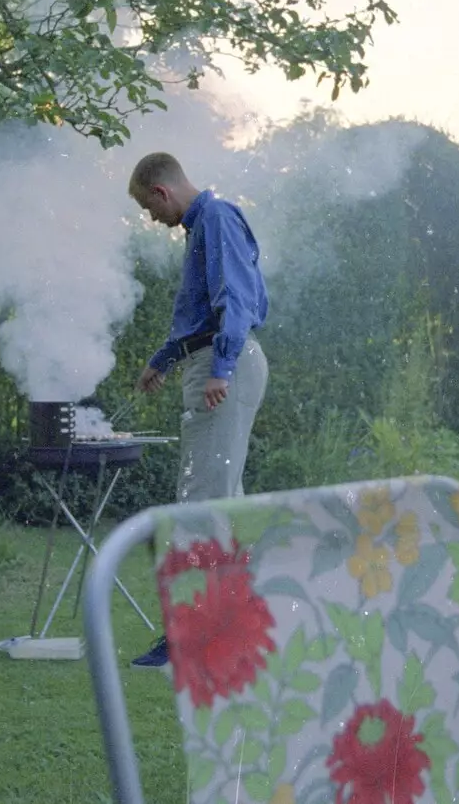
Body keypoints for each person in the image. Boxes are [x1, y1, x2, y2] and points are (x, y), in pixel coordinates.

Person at [126, 152, 269, 669]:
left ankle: (191, 637)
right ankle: (233, 630)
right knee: (221, 499)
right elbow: (198, 311)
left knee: (201, 500)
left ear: (161, 192)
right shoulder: (202, 225)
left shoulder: (217, 217)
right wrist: (162, 361)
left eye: (148, 208)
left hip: (222, 363)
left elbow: (235, 297)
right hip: (210, 359)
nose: (152, 219)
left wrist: (222, 368)